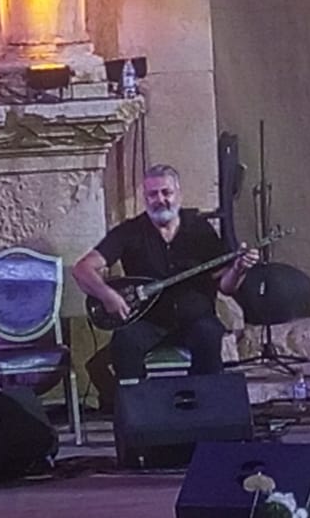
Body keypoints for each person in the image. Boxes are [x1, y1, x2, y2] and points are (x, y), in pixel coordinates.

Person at [73, 163, 257, 384]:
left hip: (196, 319)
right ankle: (139, 402)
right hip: (148, 321)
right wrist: (106, 295)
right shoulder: (130, 231)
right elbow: (82, 268)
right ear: (145, 198)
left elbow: (226, 286)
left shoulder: (201, 230)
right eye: (153, 194)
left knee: (208, 335)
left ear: (179, 194)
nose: (160, 199)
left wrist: (238, 269)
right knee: (125, 342)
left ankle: (201, 400)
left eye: (166, 192)